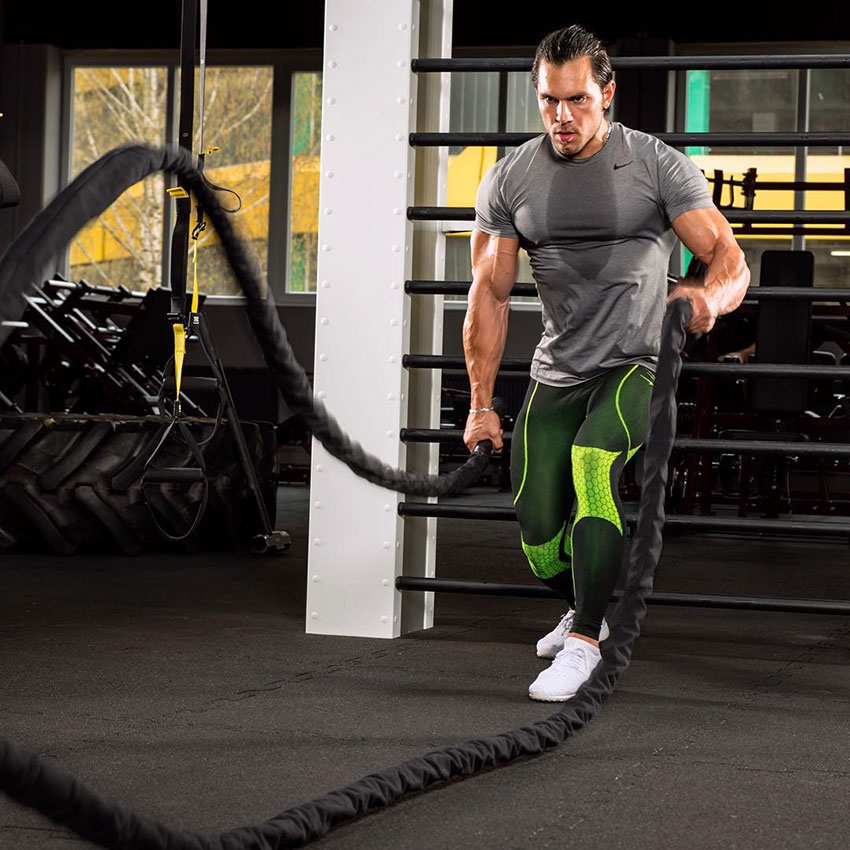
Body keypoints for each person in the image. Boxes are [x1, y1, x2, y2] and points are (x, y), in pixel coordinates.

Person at [462, 24, 750, 702]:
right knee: (536, 534)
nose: (562, 116)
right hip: (559, 368)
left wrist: (709, 300)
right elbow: (490, 295)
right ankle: (578, 604)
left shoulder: (655, 164)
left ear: (607, 93)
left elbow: (729, 258)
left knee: (595, 463)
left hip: (638, 361)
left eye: (578, 100)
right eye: (549, 101)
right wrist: (480, 401)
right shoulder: (510, 180)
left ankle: (587, 640)